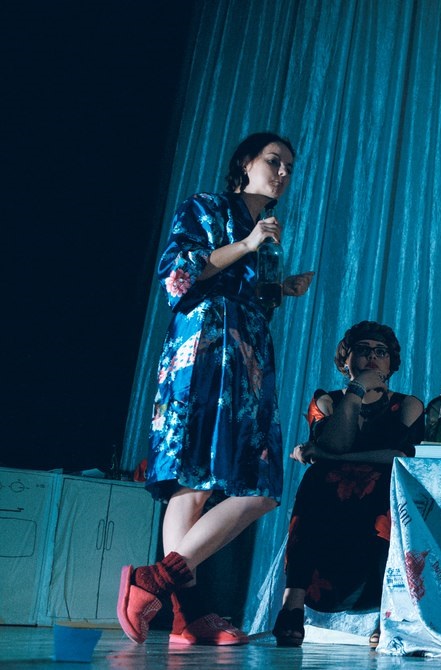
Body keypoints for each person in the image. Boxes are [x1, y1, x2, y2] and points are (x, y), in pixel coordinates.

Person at [119, 132, 315, 645]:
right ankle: (188, 613)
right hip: (204, 351)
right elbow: (178, 276)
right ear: (245, 163)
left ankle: (157, 583)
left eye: (289, 167)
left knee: (260, 488)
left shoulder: (268, 233)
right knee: (193, 481)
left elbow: (255, 296)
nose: (283, 173)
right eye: (274, 161)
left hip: (247, 359)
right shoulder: (204, 207)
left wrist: (282, 287)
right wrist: (247, 245)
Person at [271, 321, 425, 647]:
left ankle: (388, 614)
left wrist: (327, 456)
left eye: (381, 352)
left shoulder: (408, 405)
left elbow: (398, 456)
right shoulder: (326, 401)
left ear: (391, 364)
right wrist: (356, 391)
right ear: (346, 360)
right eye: (363, 350)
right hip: (330, 502)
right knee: (317, 479)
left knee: (382, 484)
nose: (373, 357)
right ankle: (292, 606)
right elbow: (337, 443)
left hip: (381, 498)